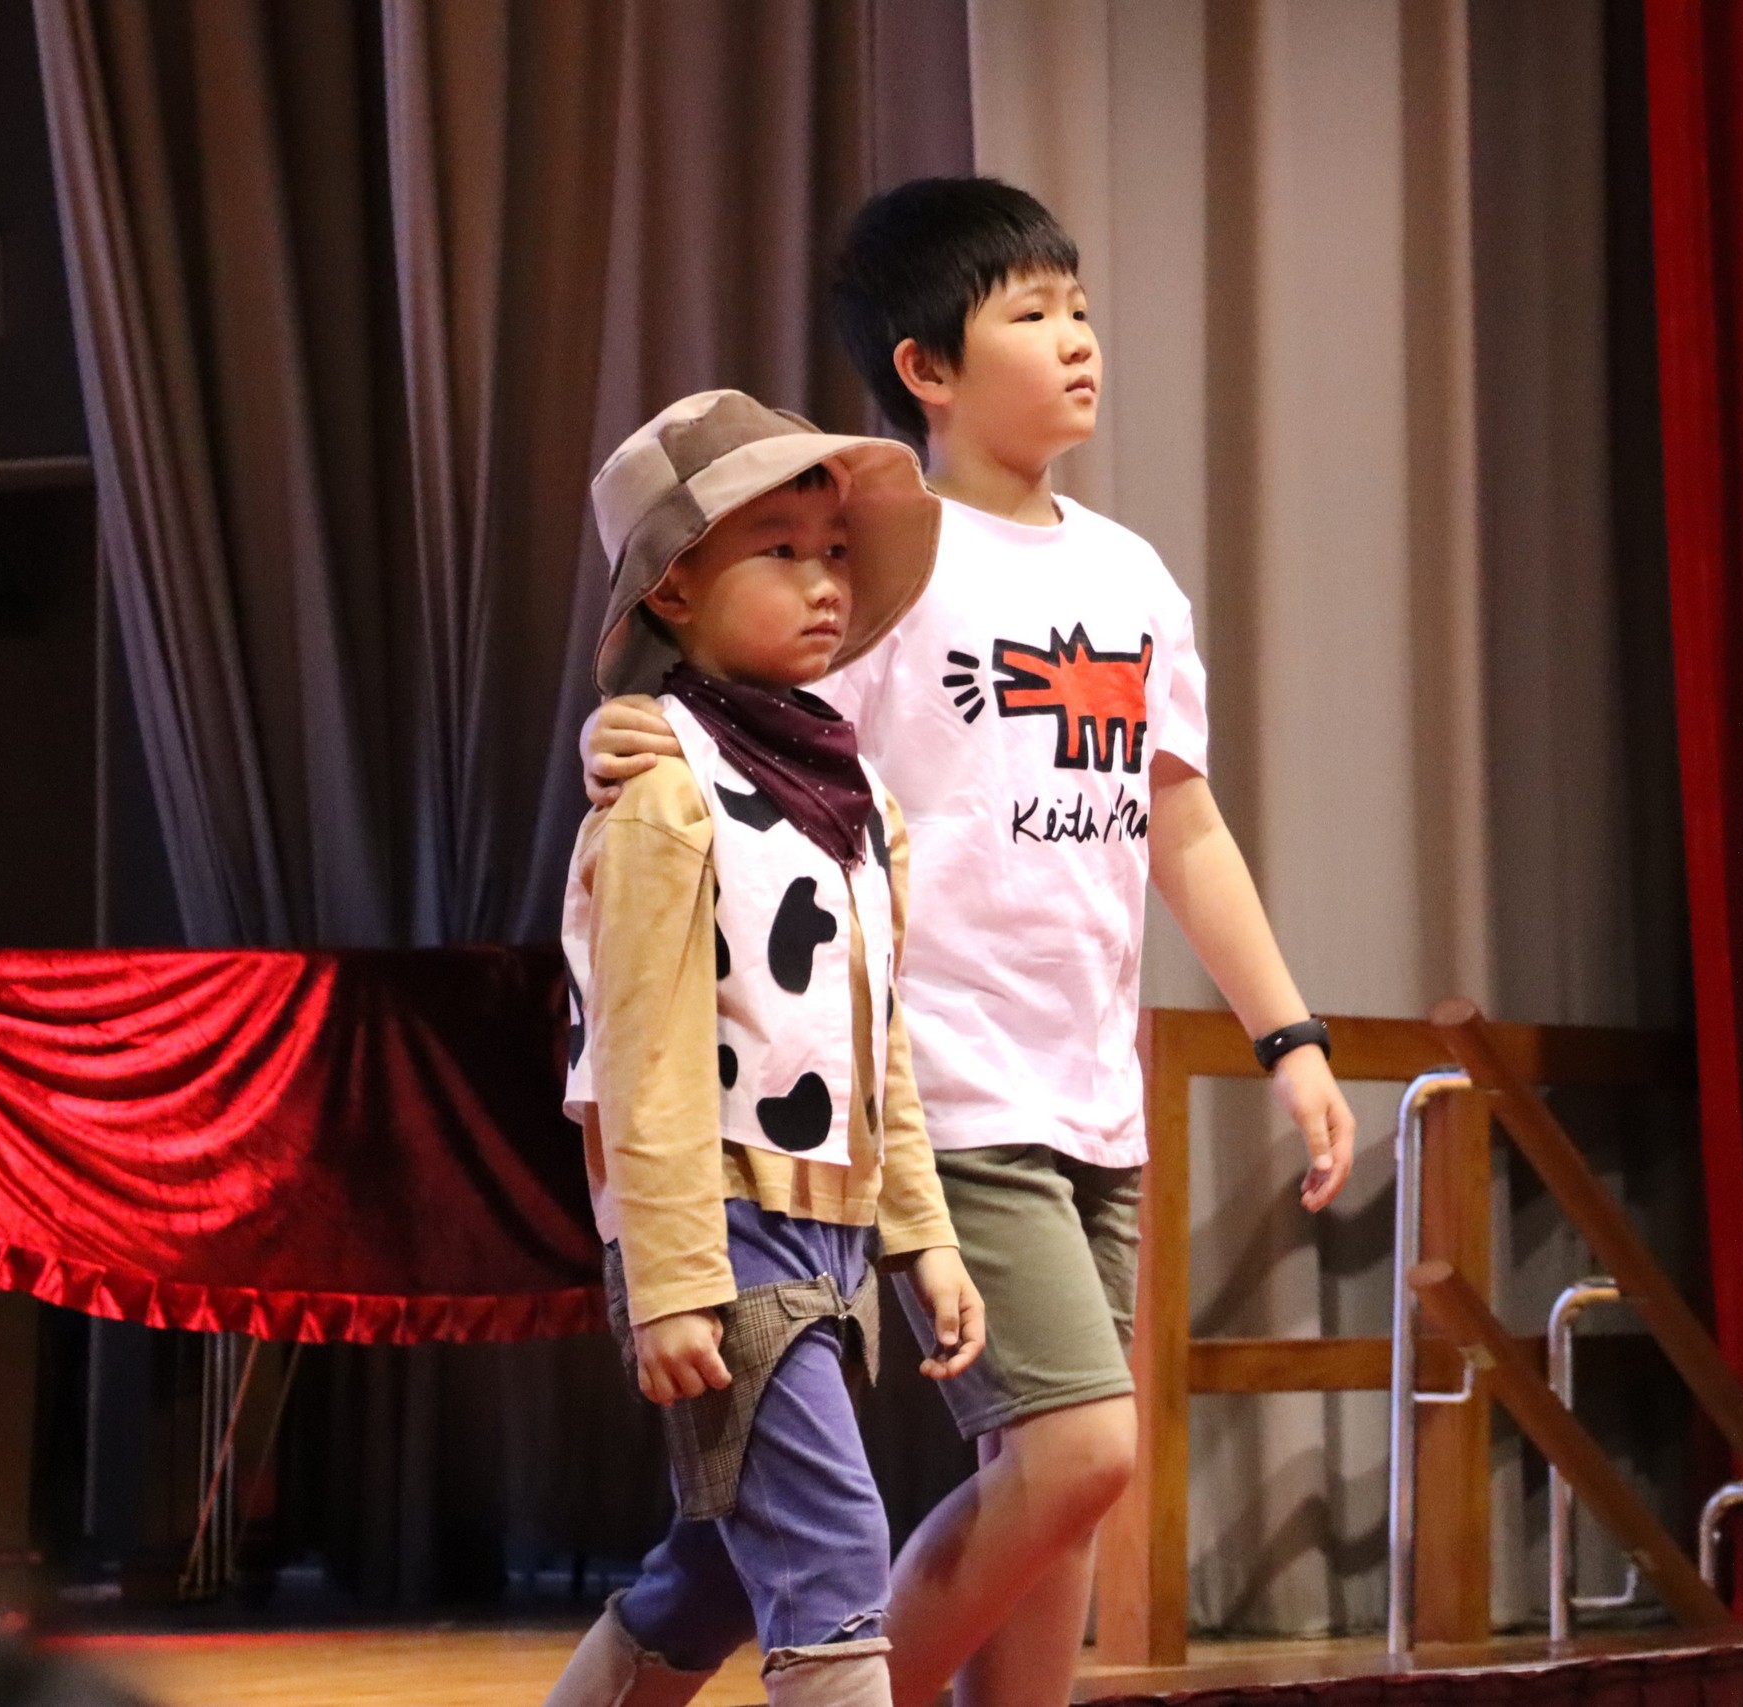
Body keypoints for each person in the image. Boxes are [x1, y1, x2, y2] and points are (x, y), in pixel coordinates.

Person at [582, 179, 1358, 1707]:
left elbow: (1182, 823)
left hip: (1092, 1094)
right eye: (1033, 313)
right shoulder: (890, 569)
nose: (1077, 341)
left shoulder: (1130, 578)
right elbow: (756, 726)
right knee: (1081, 1450)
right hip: (945, 1086)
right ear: (926, 367)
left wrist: (1291, 1034)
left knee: (1054, 1492)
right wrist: (636, 729)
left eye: (1081, 310)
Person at [546, 389, 985, 1707]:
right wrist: (674, 1280)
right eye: (778, 551)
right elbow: (644, 1055)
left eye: (834, 550)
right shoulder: (664, 789)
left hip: (827, 1221)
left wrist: (922, 1236)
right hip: (724, 1222)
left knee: (723, 1569)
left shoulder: (858, 805)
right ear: (674, 588)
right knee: (833, 1546)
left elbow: (873, 1040)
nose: (823, 581)